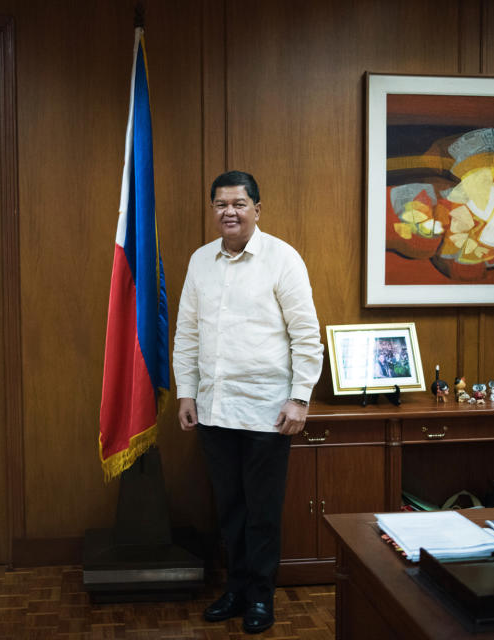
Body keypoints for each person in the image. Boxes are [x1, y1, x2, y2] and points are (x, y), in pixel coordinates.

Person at [173, 170, 323, 634]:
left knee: (261, 511)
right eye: (221, 204)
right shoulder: (201, 261)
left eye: (239, 203)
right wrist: (186, 392)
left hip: (267, 412)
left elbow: (306, 335)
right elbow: (187, 335)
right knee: (230, 508)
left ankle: (261, 597)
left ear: (258, 208)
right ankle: (235, 589)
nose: (229, 212)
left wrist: (300, 399)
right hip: (215, 410)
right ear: (213, 209)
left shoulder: (283, 259)